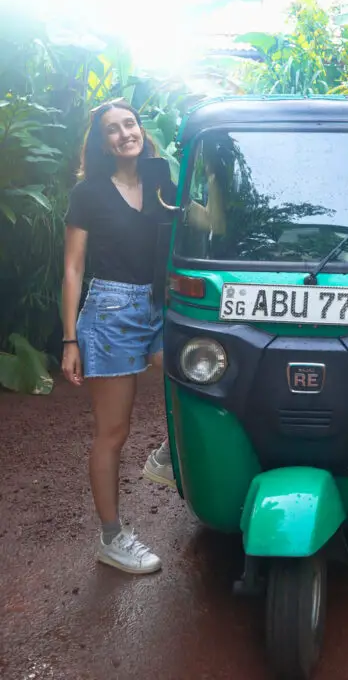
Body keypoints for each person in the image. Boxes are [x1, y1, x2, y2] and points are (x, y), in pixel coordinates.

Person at [61, 99, 224, 574]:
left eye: (129, 124)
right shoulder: (88, 194)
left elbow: (210, 224)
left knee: (196, 377)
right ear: (102, 142)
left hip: (159, 304)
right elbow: (72, 268)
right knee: (112, 432)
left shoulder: (159, 183)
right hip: (110, 310)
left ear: (141, 130)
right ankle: (111, 537)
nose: (124, 134)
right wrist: (70, 339)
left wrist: (214, 173)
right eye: (112, 129)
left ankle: (167, 453)